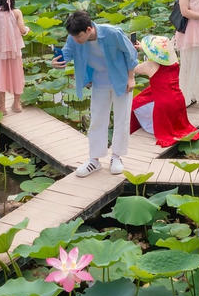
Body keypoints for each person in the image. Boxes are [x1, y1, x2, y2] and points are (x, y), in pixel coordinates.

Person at [52, 11, 138, 177]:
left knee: (121, 119)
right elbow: (67, 54)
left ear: (89, 29)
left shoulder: (112, 33)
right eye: (73, 37)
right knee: (97, 119)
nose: (76, 40)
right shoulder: (74, 37)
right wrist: (59, 62)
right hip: (99, 82)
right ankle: (94, 159)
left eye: (79, 36)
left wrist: (131, 78)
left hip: (120, 79)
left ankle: (116, 157)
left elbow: (130, 54)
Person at [130, 36, 199, 146]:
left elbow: (133, 67)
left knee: (134, 104)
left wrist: (131, 52)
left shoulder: (149, 65)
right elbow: (159, 55)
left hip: (163, 105)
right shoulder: (175, 63)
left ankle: (143, 126)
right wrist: (143, 48)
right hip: (178, 100)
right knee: (180, 127)